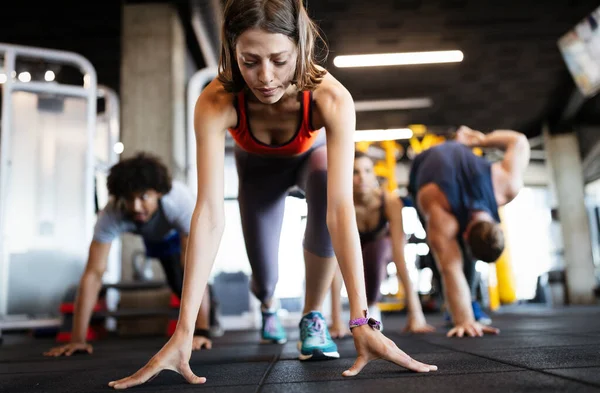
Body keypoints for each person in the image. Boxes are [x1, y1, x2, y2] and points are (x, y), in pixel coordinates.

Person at [107, 0, 437, 389]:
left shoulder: (331, 98)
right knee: (265, 276)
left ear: (301, 47)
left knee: (322, 174)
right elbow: (210, 213)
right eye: (249, 61)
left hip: (307, 161)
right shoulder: (216, 100)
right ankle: (267, 304)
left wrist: (360, 320)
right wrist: (184, 331)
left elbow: (339, 209)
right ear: (232, 53)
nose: (265, 77)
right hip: (257, 172)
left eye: (279, 60)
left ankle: (312, 316)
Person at [43, 152, 216, 357]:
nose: (135, 207)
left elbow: (195, 268)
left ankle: (208, 322)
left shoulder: (179, 203)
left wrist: (202, 333)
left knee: (182, 277)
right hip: (152, 236)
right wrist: (78, 339)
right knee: (176, 282)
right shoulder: (111, 215)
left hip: (177, 233)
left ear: (158, 193)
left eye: (143, 197)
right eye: (128, 198)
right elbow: (93, 274)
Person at [408, 125, 530, 338]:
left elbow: (519, 141)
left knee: (451, 253)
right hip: (424, 172)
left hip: (455, 153)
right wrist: (464, 321)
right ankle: (456, 305)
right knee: (442, 253)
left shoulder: (505, 186)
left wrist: (481, 140)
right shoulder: (439, 209)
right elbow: (449, 267)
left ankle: (463, 303)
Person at [329, 151, 435, 338]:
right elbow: (334, 263)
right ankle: (353, 312)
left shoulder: (390, 201)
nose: (362, 177)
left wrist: (416, 313)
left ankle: (371, 306)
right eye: (355, 172)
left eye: (367, 171)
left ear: (374, 174)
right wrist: (336, 320)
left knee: (376, 250)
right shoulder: (342, 203)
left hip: (381, 247)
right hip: (354, 248)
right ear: (346, 175)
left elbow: (399, 256)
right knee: (337, 259)